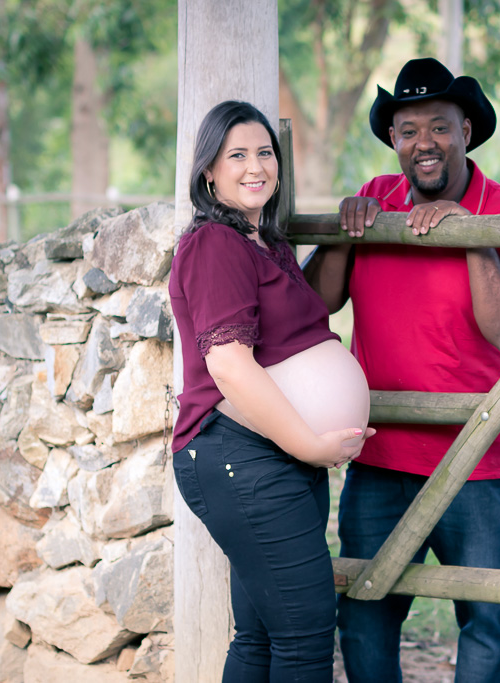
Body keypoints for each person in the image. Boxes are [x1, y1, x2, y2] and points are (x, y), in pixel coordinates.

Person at [304, 58, 500, 682]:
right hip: (379, 455)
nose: (424, 143)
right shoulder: (376, 201)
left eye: (439, 126)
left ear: (466, 129)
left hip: (474, 460)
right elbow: (316, 302)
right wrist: (342, 232)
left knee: (484, 619)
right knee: (364, 614)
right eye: (408, 130)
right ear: (393, 139)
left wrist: (471, 235)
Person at [169, 100, 375, 682]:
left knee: (261, 638)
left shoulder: (266, 243)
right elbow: (229, 366)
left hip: (274, 457)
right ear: (209, 171)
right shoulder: (215, 243)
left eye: (265, 152)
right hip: (242, 457)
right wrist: (310, 444)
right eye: (236, 155)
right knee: (304, 639)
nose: (255, 166)